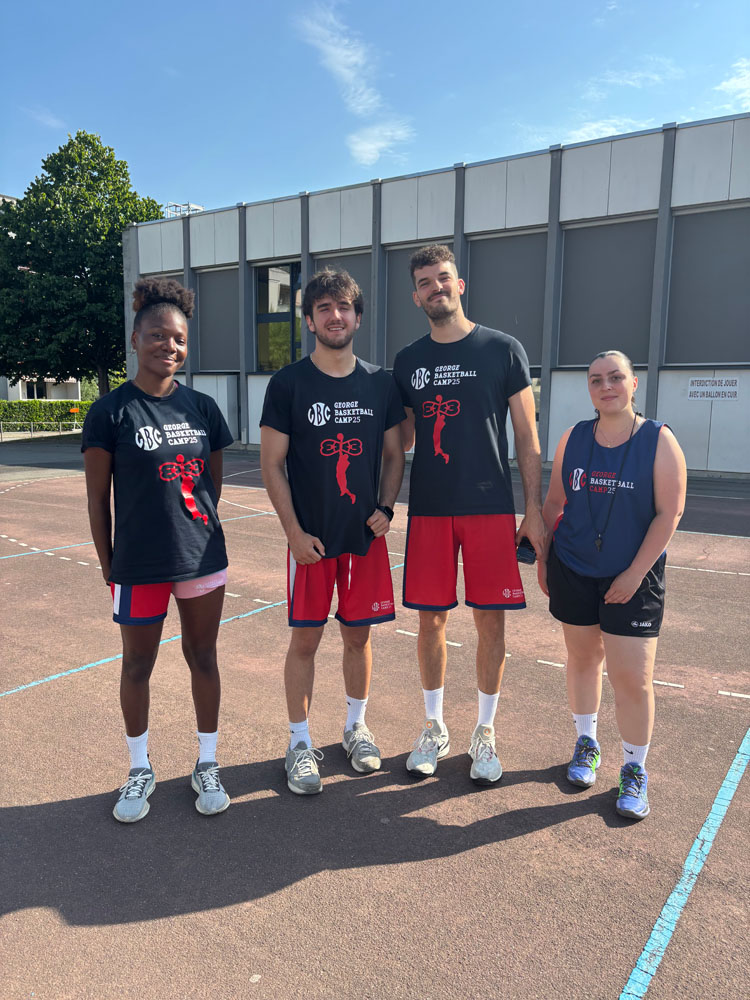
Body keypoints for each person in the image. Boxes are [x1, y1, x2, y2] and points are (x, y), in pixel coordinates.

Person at [82, 277, 234, 823]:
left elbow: (212, 483)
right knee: (137, 665)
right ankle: (139, 767)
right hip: (138, 565)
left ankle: (207, 762)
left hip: (201, 558)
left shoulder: (202, 408)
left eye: (179, 339)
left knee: (203, 657)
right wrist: (110, 565)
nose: (169, 346)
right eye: (157, 336)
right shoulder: (110, 412)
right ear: (135, 338)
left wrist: (190, 529)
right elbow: (98, 500)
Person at [392, 244, 545, 784]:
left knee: (489, 621)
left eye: (443, 278)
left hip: (489, 507)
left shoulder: (503, 349)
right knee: (429, 620)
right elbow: (401, 438)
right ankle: (434, 726)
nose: (436, 287)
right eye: (425, 282)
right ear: (416, 297)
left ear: (460, 284)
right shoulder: (408, 361)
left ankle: (485, 731)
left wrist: (533, 510)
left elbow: (526, 437)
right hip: (431, 508)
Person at [260, 269, 405, 795]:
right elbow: (271, 464)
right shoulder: (288, 383)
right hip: (312, 543)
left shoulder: (381, 382)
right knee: (305, 641)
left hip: (363, 539)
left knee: (358, 637)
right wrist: (293, 533)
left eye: (343, 307)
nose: (334, 316)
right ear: (309, 321)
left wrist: (386, 507)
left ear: (357, 317)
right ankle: (299, 743)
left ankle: (355, 728)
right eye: (323, 308)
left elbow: (395, 454)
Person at [538, 350, 686, 820]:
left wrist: (635, 573)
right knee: (583, 660)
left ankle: (634, 769)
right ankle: (586, 743)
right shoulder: (574, 438)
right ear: (589, 388)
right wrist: (544, 557)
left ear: (633, 384)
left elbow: (669, 513)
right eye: (596, 380)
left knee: (633, 680)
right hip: (574, 568)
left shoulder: (659, 440)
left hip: (632, 577)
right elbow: (554, 503)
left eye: (615, 377)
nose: (606, 386)